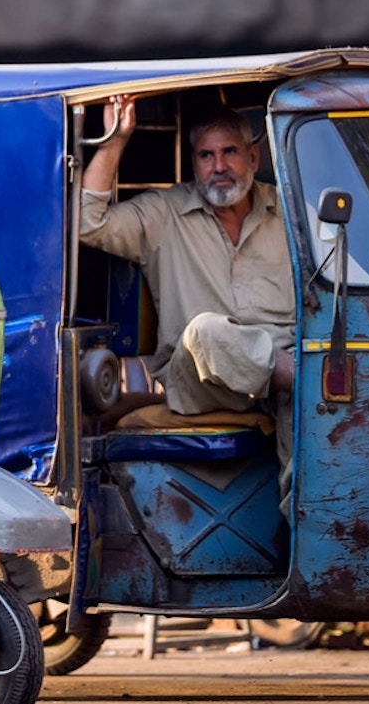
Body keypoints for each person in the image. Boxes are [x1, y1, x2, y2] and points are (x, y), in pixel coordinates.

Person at [78, 96, 297, 510]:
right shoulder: (165, 212)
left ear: (253, 157)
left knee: (316, 412)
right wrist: (114, 142)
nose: (218, 166)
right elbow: (89, 223)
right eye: (206, 156)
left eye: (229, 152)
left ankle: (307, 530)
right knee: (206, 331)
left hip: (280, 377)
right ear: (194, 163)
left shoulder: (289, 213)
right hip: (201, 379)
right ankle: (301, 380)